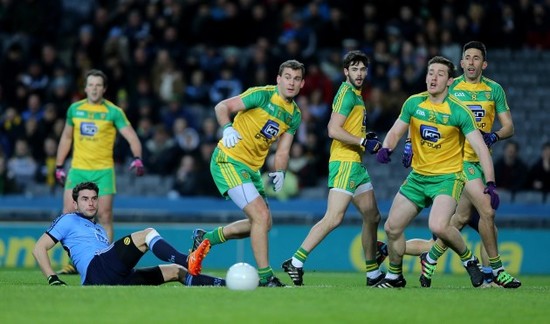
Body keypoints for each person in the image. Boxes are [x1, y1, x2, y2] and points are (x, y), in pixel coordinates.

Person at [400, 41, 521, 288]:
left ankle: (430, 257)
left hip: (480, 158)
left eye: (477, 58)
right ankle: (496, 271)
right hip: (460, 160)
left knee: (459, 219)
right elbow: (423, 113)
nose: (472, 62)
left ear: (484, 64)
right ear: (462, 62)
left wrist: (495, 135)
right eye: (468, 58)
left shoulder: (494, 90)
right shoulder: (450, 86)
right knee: (487, 212)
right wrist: (411, 144)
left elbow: (509, 127)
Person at [373, 55, 493, 289]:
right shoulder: (414, 103)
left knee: (439, 226)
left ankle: (469, 260)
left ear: (450, 81)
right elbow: (396, 131)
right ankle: (394, 277)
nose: (433, 78)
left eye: (440, 74)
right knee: (391, 228)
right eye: (430, 73)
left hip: (448, 178)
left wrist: (490, 182)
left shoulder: (459, 112)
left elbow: (481, 148)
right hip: (418, 177)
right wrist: (387, 147)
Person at [189, 60, 306, 287]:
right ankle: (265, 277)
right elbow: (221, 107)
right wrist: (227, 128)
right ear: (278, 79)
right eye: (288, 77)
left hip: (252, 168)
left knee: (264, 223)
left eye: (297, 79)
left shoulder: (294, 115)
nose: (292, 82)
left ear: (302, 84)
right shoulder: (261, 95)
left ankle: (206, 238)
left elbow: (283, 150)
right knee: (260, 217)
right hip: (228, 160)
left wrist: (280, 171)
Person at [281, 50, 385, 286]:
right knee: (334, 217)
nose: (359, 74)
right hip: (345, 162)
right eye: (354, 69)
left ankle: (372, 273)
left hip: (355, 164)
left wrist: (363, 136)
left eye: (362, 69)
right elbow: (333, 129)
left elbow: (347, 127)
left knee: (372, 215)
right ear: (346, 72)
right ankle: (295, 262)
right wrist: (362, 141)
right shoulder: (347, 94)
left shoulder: (356, 95)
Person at [32, 182, 223, 286]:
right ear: (75, 204)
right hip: (96, 269)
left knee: (176, 271)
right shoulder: (68, 219)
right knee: (147, 234)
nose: (90, 203)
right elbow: (39, 248)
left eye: (94, 198)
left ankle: (226, 284)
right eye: (84, 199)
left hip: (115, 277)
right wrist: (53, 278)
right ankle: (188, 259)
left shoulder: (99, 229)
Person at [55, 69, 145, 274]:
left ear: (104, 89)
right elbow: (66, 138)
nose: (94, 89)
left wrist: (137, 157)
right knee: (68, 215)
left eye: (98, 85)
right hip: (78, 169)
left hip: (103, 171)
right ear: (85, 88)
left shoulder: (113, 112)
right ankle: (77, 262)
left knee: (104, 216)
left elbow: (131, 136)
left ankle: (102, 260)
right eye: (91, 85)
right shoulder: (74, 110)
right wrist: (59, 165)